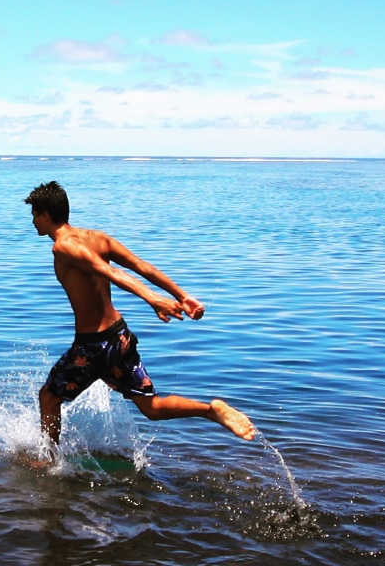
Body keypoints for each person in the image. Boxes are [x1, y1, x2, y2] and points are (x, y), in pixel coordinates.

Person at [25, 180, 257, 455]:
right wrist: (182, 295)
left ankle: (48, 461)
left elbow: (110, 272)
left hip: (94, 345)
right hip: (119, 336)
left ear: (46, 215)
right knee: (151, 407)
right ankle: (210, 410)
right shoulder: (97, 237)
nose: (33, 222)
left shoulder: (63, 246)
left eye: (34, 215)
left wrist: (154, 299)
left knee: (48, 398)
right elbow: (142, 266)